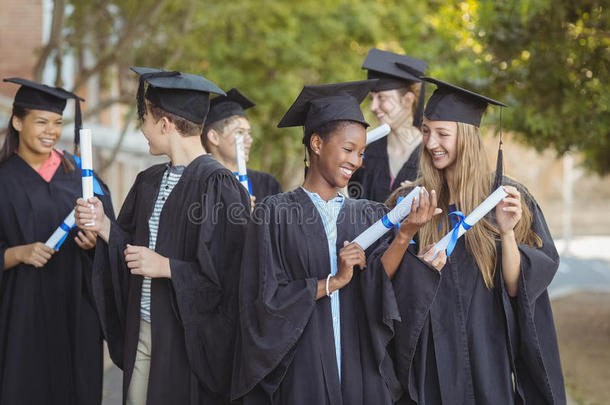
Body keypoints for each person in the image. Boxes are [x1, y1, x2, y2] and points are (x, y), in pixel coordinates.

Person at [376, 77, 566, 404]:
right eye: (426, 131)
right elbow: (382, 286)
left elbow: (518, 288)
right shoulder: (409, 202)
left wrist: (506, 232)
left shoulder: (507, 199)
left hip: (487, 357)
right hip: (428, 362)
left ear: (465, 137)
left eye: (442, 133)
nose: (431, 142)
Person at [74, 68, 250, 405]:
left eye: (145, 119)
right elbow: (133, 248)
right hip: (143, 326)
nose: (142, 129)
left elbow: (232, 272)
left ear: (166, 124)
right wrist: (104, 226)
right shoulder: (150, 180)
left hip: (187, 338)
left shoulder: (219, 185)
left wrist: (168, 267)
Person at [232, 80, 403, 405]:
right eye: (348, 149)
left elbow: (383, 283)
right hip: (301, 367)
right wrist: (332, 282)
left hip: (359, 365)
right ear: (316, 143)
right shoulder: (273, 213)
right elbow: (262, 299)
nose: (357, 161)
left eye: (362, 153)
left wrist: (405, 233)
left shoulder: (369, 215)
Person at [0, 77, 113, 405]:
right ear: (18, 121)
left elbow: (114, 239)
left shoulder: (83, 180)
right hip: (19, 314)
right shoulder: (4, 180)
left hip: (75, 314)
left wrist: (96, 244)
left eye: (58, 123)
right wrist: (17, 253)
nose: (51, 131)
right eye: (41, 121)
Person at [348, 48, 427, 202]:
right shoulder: (368, 153)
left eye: (382, 98)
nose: (373, 107)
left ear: (407, 100)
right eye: (372, 98)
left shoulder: (431, 155)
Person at [202, 88, 282, 204]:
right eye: (239, 132)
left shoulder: (267, 183)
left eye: (248, 133)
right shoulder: (200, 184)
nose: (249, 140)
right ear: (214, 137)